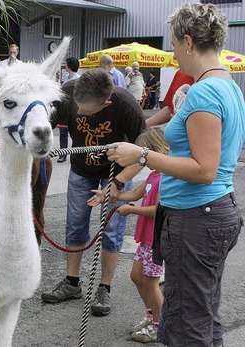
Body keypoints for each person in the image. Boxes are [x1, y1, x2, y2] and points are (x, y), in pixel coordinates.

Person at [106, 4, 245, 346]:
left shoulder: (204, 92)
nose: (172, 55)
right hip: (211, 212)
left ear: (187, 41)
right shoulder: (226, 84)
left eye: (172, 45)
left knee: (186, 325)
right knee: (201, 314)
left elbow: (204, 169)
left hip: (197, 217)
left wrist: (142, 154)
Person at [43, 68, 145, 317]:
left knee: (111, 230)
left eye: (87, 111)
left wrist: (118, 184)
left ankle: (104, 287)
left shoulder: (126, 106)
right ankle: (71, 283)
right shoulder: (65, 94)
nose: (79, 113)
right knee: (75, 226)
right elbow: (42, 127)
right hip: (80, 170)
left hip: (115, 173)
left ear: (106, 102)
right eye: (78, 107)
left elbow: (146, 154)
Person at [88, 127, 168, 343]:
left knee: (151, 283)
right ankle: (152, 315)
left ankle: (160, 326)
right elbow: (135, 193)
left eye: (144, 155)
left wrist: (131, 209)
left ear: (157, 150)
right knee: (136, 276)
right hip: (146, 238)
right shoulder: (153, 175)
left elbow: (158, 211)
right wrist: (112, 196)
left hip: (156, 240)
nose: (142, 161)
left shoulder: (167, 178)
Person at [57, 57, 81, 163]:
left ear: (69, 66)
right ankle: (63, 154)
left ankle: (76, 154)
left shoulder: (79, 80)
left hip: (74, 110)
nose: (65, 66)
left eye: (66, 65)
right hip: (64, 108)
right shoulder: (65, 77)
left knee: (75, 133)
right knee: (63, 133)